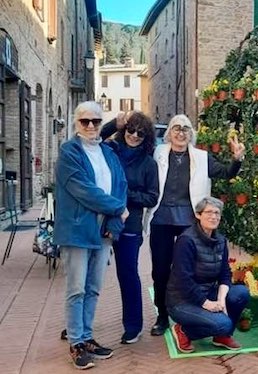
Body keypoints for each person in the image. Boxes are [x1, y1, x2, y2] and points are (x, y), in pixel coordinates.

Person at [145, 114, 245, 336]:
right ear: (169, 133)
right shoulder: (157, 153)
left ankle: (192, 311)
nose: (181, 133)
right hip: (162, 219)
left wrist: (237, 159)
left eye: (186, 129)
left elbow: (226, 173)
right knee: (160, 271)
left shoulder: (202, 157)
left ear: (192, 134)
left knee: (190, 270)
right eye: (176, 128)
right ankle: (162, 315)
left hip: (189, 221)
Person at [54, 101, 128, 370]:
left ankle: (86, 337)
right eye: (85, 121)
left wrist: (114, 218)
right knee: (76, 289)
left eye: (96, 121)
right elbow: (82, 189)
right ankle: (75, 342)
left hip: (103, 230)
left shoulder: (107, 151)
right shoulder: (68, 152)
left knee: (94, 288)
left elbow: (120, 183)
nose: (90, 126)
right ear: (77, 123)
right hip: (77, 230)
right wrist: (118, 208)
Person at [100, 111, 159, 344]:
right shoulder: (111, 151)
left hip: (129, 224)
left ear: (147, 137)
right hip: (102, 220)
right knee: (88, 274)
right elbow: (94, 138)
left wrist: (123, 195)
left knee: (127, 274)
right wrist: (114, 124)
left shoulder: (148, 163)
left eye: (140, 133)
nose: (134, 135)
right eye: (130, 130)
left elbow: (151, 197)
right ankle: (78, 325)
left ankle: (133, 326)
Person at [167, 197, 250, 353]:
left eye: (217, 213)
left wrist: (221, 300)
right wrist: (207, 304)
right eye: (209, 212)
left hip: (208, 292)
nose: (214, 217)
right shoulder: (186, 240)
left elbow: (225, 272)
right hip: (182, 300)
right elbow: (183, 280)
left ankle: (222, 337)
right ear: (198, 215)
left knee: (241, 293)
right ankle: (183, 331)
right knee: (223, 323)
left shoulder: (220, 240)